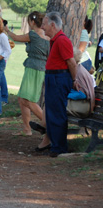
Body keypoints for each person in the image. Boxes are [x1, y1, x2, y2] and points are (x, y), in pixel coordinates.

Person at [6, 12, 49, 138]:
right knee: (22, 99)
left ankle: (49, 125)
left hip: (32, 68)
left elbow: (16, 38)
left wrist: (7, 30)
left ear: (32, 22)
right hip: (41, 68)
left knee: (27, 100)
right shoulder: (47, 37)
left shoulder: (33, 35)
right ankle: (27, 129)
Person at [42, 12, 77, 157]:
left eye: (44, 24)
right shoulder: (54, 40)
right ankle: (54, 145)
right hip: (52, 77)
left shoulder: (62, 40)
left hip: (59, 78)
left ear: (52, 24)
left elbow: (71, 62)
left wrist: (75, 81)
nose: (42, 27)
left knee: (57, 113)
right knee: (51, 112)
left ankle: (60, 147)